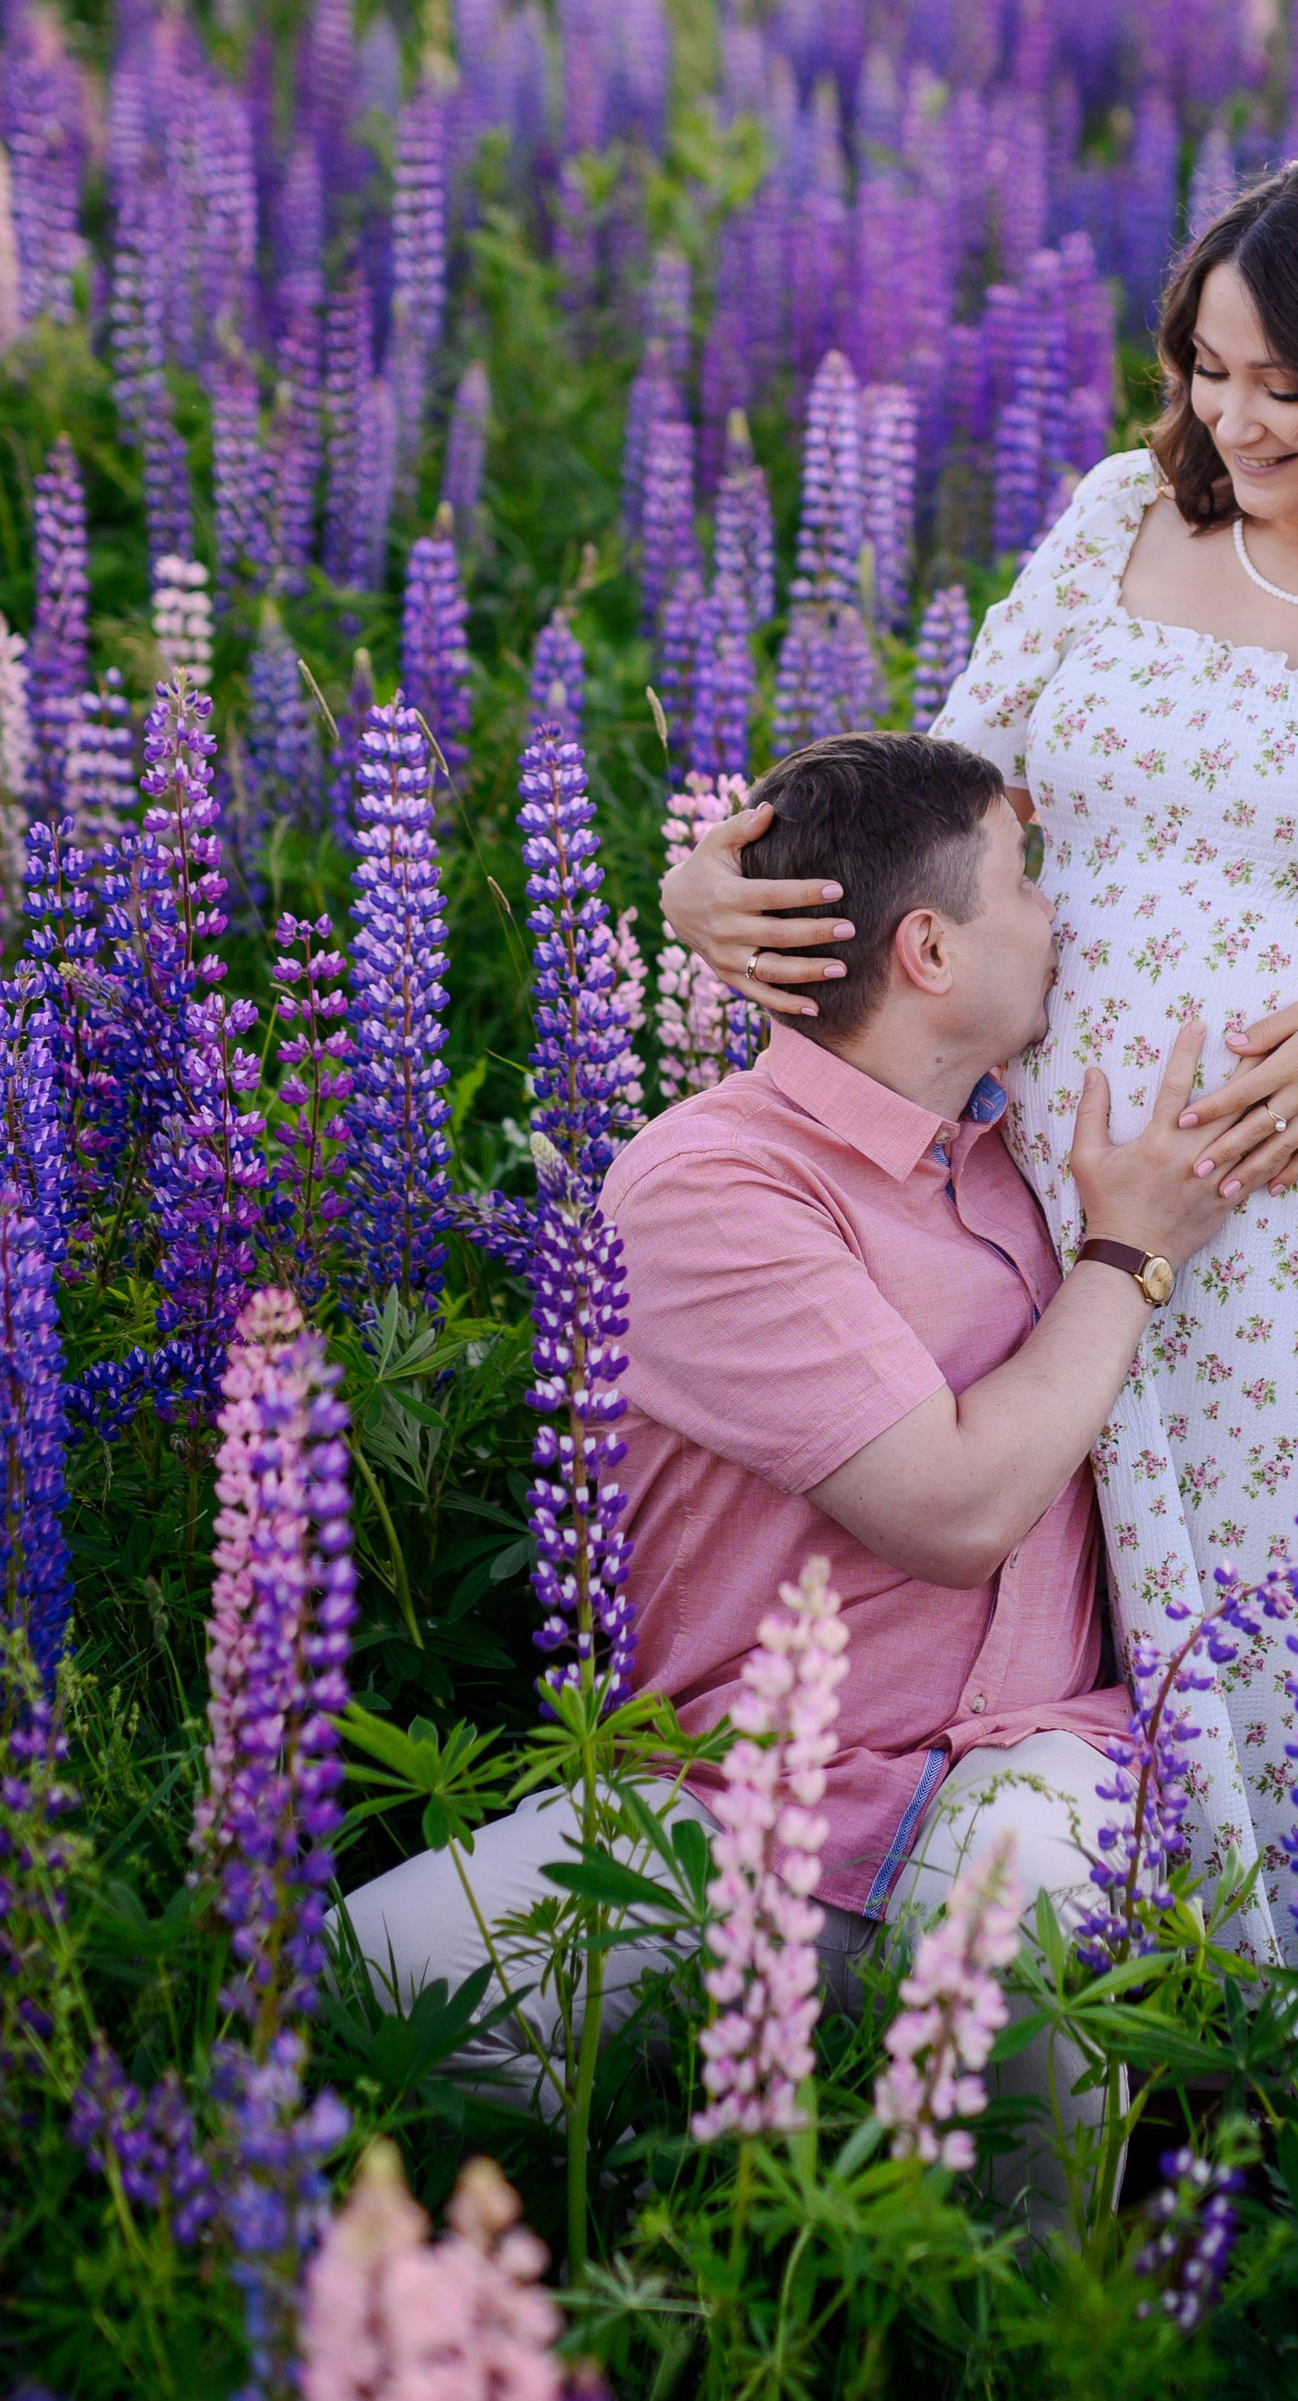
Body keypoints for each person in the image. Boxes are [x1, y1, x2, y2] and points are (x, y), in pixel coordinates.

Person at [664, 158, 1298, 1955]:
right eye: (1212, 368)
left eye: (1288, 384)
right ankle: (1029, 2036)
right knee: (1058, 1632)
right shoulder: (1125, 512)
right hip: (1038, 1187)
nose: (1236, 416)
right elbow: (941, 793)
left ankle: (1280, 2091)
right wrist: (711, 876)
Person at [343, 727, 1244, 2206]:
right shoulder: (710, 1182)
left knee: (1004, 1910)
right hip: (745, 1802)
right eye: (1027, 883)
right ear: (932, 950)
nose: (1059, 919)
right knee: (377, 1989)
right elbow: (950, 1509)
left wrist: (706, 881)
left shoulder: (1018, 1143)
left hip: (1028, 1759)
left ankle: (1036, 2373)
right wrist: (1127, 1258)